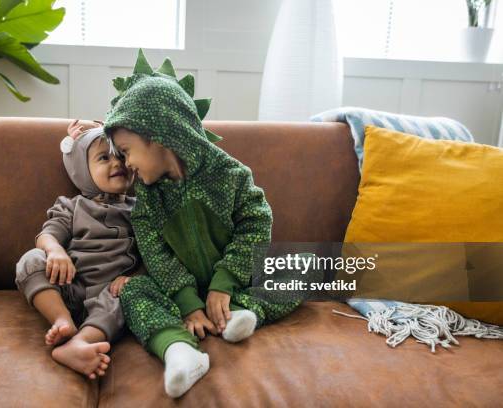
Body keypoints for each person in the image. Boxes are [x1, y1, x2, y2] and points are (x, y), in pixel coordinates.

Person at [104, 50, 303, 398]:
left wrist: (225, 284)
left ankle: (241, 314)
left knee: (304, 267)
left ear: (159, 134)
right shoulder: (149, 198)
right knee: (133, 291)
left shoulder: (229, 174)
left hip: (238, 282)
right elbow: (155, 253)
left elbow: (257, 221)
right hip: (178, 291)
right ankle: (179, 351)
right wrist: (188, 304)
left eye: (127, 150)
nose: (127, 164)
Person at [15, 120, 140, 380]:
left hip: (110, 292)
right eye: (104, 158)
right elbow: (47, 235)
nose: (116, 163)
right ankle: (62, 321)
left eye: (121, 155)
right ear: (83, 170)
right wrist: (55, 252)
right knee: (31, 260)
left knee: (129, 296)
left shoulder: (141, 210)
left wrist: (135, 276)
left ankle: (79, 343)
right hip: (69, 285)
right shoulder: (72, 207)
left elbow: (155, 253)